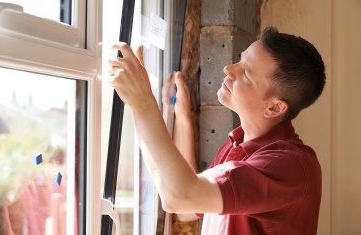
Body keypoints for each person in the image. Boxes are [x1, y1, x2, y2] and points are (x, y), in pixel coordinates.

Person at [108, 26, 326, 234]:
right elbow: (188, 208)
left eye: (246, 74)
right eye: (240, 59)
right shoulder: (236, 145)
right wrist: (183, 119)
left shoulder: (289, 166)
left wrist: (142, 101)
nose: (229, 69)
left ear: (274, 107)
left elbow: (180, 196)